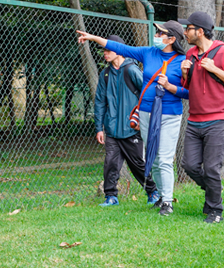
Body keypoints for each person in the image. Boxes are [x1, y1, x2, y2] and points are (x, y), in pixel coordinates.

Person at [77, 21, 188, 216]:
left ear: (171, 39)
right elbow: (120, 47)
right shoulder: (148, 53)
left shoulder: (183, 61)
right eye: (157, 31)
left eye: (161, 33)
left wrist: (171, 87)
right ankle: (160, 196)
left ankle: (167, 202)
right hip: (145, 113)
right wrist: (93, 38)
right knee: (152, 159)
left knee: (163, 159)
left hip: (169, 113)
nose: (156, 35)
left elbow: (190, 92)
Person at [179, 12, 224, 224]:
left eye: (188, 28)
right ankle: (213, 190)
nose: (185, 32)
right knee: (189, 165)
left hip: (218, 120)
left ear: (199, 31)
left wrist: (214, 68)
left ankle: (216, 210)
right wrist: (185, 74)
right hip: (194, 120)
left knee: (211, 168)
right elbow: (187, 87)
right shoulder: (189, 55)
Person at [94, 35, 159, 206]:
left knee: (138, 164)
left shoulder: (131, 70)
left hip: (131, 128)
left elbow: (147, 93)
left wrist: (141, 116)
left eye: (108, 50)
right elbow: (100, 101)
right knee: (110, 164)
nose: (105, 53)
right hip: (112, 130)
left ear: (119, 50)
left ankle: (153, 192)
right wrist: (99, 128)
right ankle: (111, 196)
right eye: (104, 50)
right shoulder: (105, 74)